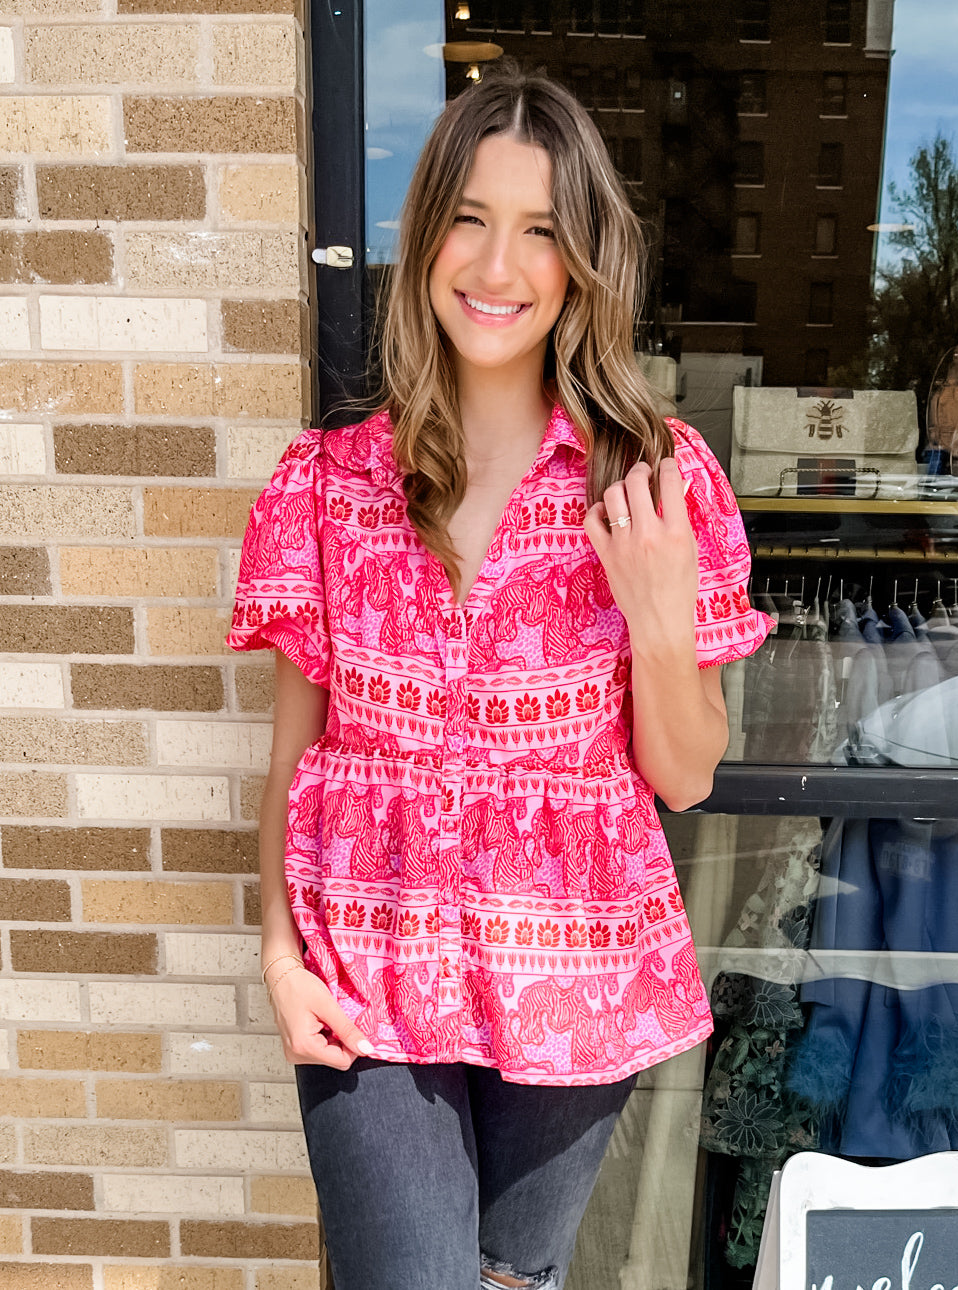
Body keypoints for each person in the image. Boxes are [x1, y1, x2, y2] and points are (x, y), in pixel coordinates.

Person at [228, 61, 771, 1290]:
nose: (497, 265)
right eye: (469, 218)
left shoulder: (649, 479)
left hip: (578, 968)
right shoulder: (324, 488)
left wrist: (655, 616)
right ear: (424, 240)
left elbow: (683, 777)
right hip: (366, 957)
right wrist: (276, 954)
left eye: (539, 232)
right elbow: (295, 758)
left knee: (506, 1280)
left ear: (581, 262)